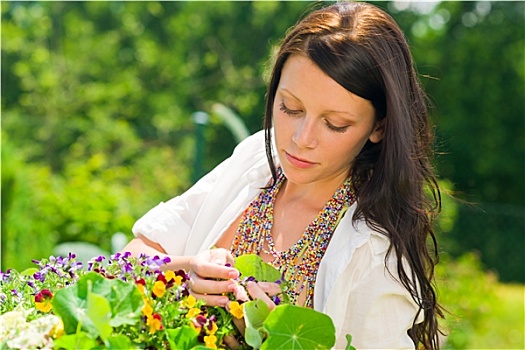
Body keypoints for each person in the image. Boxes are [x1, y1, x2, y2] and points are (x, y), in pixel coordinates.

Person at [121, 1, 443, 349]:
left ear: (379, 127)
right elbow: (131, 257)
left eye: (334, 124)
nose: (300, 139)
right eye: (290, 107)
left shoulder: (375, 252)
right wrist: (185, 272)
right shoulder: (256, 160)